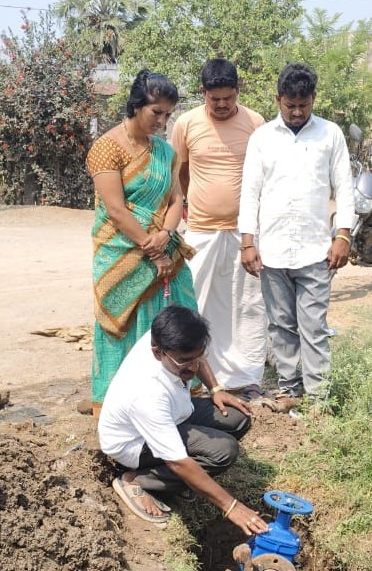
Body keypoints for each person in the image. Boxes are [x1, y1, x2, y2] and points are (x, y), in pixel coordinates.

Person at [238, 62, 354, 413]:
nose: (297, 112)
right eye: (290, 105)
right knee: (281, 325)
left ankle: (319, 397)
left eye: (304, 105)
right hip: (272, 251)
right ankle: (290, 388)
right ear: (278, 100)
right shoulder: (261, 138)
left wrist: (343, 235)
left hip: (316, 250)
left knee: (314, 326)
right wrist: (247, 242)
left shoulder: (330, 134)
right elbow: (250, 193)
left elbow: (345, 188)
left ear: (313, 99)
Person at [98, 304, 270, 537]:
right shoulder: (146, 391)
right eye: (185, 361)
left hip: (174, 413)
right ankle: (136, 480)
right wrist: (232, 507)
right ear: (158, 352)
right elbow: (178, 461)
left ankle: (179, 482)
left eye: (199, 357)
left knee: (238, 418)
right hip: (134, 444)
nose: (194, 366)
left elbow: (194, 354)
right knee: (223, 451)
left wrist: (216, 388)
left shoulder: (171, 338)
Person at [86, 69, 197, 419]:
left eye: (168, 114)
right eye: (156, 113)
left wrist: (165, 236)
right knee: (125, 327)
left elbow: (177, 199)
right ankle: (116, 403)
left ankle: (173, 396)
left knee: (177, 315)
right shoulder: (106, 148)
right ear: (136, 106)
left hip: (163, 246)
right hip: (122, 253)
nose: (163, 121)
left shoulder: (165, 152)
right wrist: (154, 248)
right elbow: (116, 209)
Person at [170, 59, 267, 396]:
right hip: (201, 230)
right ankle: (191, 377)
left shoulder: (255, 123)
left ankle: (244, 377)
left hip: (246, 234)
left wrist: (251, 230)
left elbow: (262, 177)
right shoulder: (185, 124)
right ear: (203, 93)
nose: (223, 105)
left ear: (238, 91)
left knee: (246, 306)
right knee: (195, 301)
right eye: (215, 99)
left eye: (228, 98)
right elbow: (179, 173)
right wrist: (185, 206)